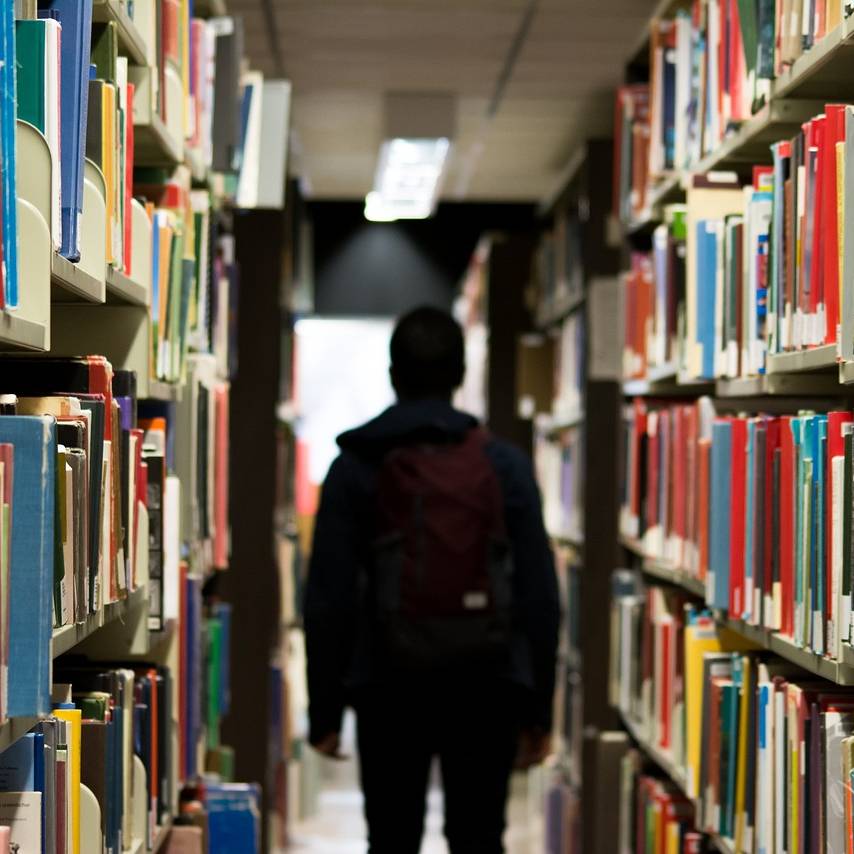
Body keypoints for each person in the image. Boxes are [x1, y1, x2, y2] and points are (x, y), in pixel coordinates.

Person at [304, 306, 560, 854]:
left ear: (393, 374)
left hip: (387, 684)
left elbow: (329, 596)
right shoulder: (504, 465)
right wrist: (538, 709)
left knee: (392, 837)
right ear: (461, 374)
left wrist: (325, 709)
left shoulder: (355, 465)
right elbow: (539, 592)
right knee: (478, 837)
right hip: (486, 684)